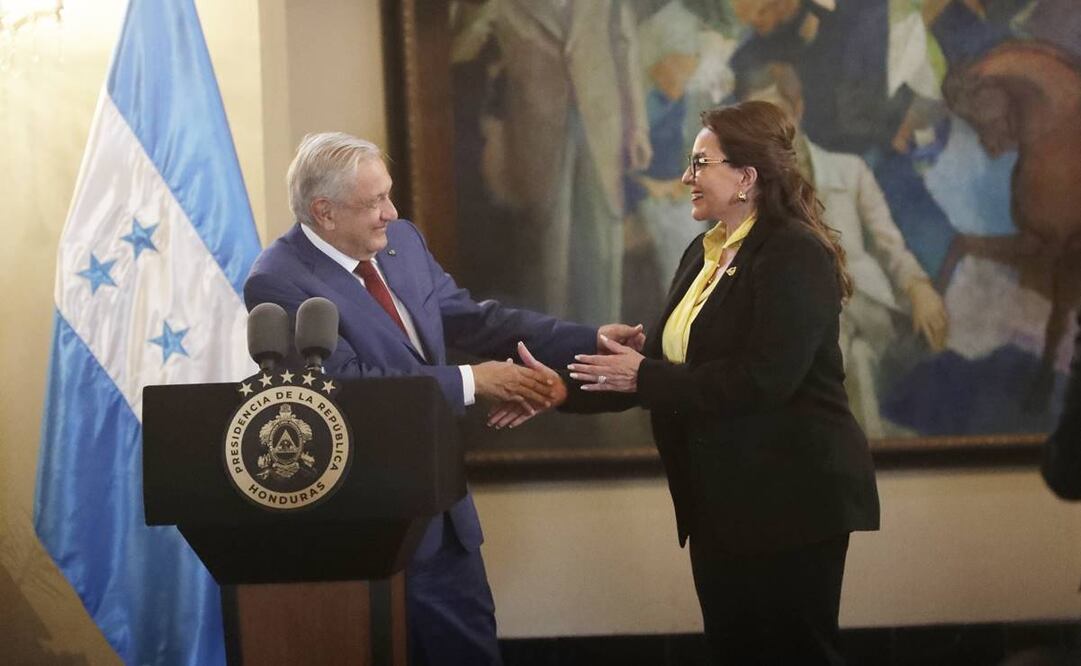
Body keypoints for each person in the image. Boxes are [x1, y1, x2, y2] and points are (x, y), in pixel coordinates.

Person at [243, 132, 644, 666]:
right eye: (375, 202)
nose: (392, 213)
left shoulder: (402, 240)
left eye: (389, 195)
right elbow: (343, 392)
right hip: (364, 527)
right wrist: (475, 383)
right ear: (324, 212)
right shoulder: (279, 280)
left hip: (443, 513)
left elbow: (474, 320)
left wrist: (585, 339)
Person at [502, 101, 881, 664]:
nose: (686, 177)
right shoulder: (702, 252)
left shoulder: (793, 253)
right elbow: (656, 372)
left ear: (747, 177)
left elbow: (765, 380)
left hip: (790, 499)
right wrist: (559, 389)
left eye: (701, 162)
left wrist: (647, 373)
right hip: (722, 502)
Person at [742, 61, 948, 437]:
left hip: (864, 305)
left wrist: (918, 285)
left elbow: (890, 244)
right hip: (795, 324)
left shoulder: (849, 170)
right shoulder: (746, 195)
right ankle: (868, 458)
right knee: (854, 359)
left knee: (835, 330)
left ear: (798, 109)